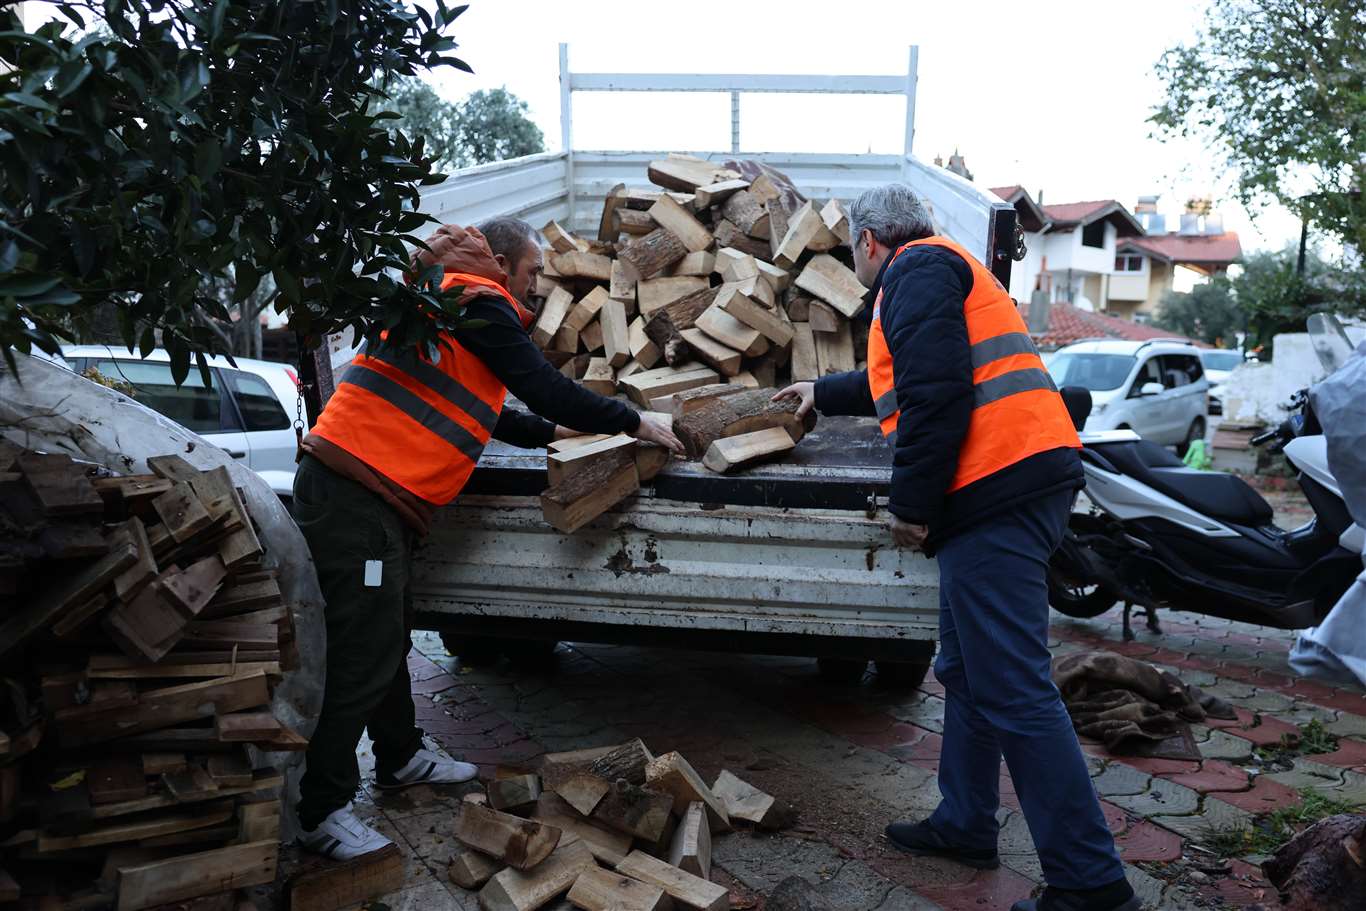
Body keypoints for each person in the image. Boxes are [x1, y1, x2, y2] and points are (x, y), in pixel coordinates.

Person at [775, 185, 1137, 911]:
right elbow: (908, 378)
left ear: (869, 241)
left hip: (997, 491)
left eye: (852, 250)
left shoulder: (913, 271)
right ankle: (966, 821)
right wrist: (823, 390)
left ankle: (1090, 881)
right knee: (967, 670)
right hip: (1012, 483)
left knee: (1015, 687)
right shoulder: (937, 268)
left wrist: (912, 506)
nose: (855, 261)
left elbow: (936, 395)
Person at [293, 218, 683, 859]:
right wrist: (632, 420)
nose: (536, 287)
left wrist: (550, 435)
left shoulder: (440, 297)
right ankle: (321, 811)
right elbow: (545, 387)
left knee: (386, 635)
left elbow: (481, 407)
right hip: (356, 495)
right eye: (531, 271)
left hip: (361, 490)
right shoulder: (480, 300)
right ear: (500, 262)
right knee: (362, 653)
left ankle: (400, 757)